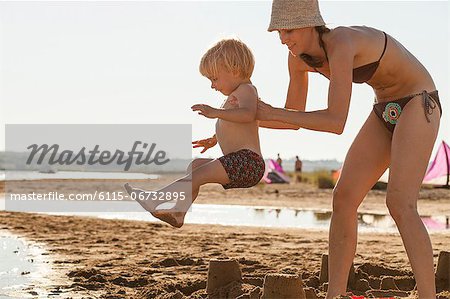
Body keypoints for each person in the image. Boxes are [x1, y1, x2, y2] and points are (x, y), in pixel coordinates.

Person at [257, 1, 441, 298]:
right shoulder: (297, 60)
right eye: (278, 31)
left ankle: (428, 296)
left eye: (288, 29)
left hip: (418, 101)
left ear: (309, 24)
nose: (282, 38)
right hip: (384, 108)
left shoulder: (340, 42)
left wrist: (271, 112)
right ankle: (336, 295)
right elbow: (290, 118)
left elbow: (335, 120)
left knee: (399, 203)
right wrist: (241, 119)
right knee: (343, 198)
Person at [124, 38, 264, 228]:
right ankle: (179, 212)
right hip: (238, 161)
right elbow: (236, 124)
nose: (213, 86)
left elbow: (248, 115)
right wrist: (214, 139)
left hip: (248, 162)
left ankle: (156, 198)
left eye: (215, 78)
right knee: (196, 165)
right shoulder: (235, 95)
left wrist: (215, 112)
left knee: (199, 175)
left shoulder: (247, 90)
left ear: (235, 70)